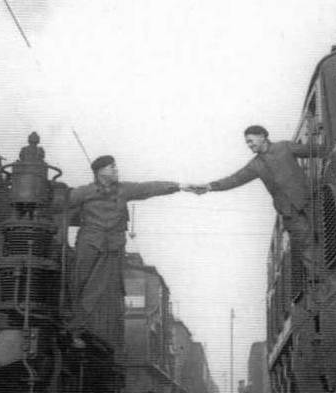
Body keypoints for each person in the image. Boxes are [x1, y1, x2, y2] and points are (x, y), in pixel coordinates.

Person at [65, 155, 183, 354]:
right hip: (89, 247)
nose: (116, 169)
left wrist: (178, 185)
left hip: (113, 249)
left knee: (109, 293)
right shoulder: (83, 192)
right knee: (80, 286)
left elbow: (148, 188)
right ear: (100, 171)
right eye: (112, 167)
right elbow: (60, 203)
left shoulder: (123, 190)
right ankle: (74, 331)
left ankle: (100, 335)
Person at [187, 125, 321, 280]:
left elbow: (312, 150)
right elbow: (234, 179)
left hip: (308, 200)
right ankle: (318, 282)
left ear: (262, 136)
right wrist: (209, 187)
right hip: (290, 213)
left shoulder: (284, 147)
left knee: (323, 235)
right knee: (306, 245)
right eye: (247, 143)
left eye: (250, 141)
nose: (249, 145)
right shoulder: (255, 165)